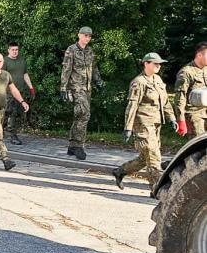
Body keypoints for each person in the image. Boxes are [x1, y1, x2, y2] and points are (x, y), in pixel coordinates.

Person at [113, 54, 177, 191]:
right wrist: (128, 128)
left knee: (144, 158)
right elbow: (132, 106)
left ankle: (120, 171)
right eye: (155, 64)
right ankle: (156, 189)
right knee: (154, 157)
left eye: (160, 64)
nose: (158, 66)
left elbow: (165, 102)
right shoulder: (139, 82)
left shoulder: (158, 80)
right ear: (146, 64)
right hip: (143, 124)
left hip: (156, 124)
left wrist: (172, 118)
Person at [60, 26, 103, 160]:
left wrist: (99, 81)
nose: (87, 38)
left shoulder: (90, 51)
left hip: (87, 88)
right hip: (76, 87)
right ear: (79, 35)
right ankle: (79, 146)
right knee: (84, 114)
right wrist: (63, 87)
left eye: (89, 36)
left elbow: (93, 68)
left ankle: (72, 146)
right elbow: (66, 69)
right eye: (85, 35)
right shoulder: (71, 50)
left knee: (79, 115)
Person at [3, 41, 35, 145]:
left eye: (16, 50)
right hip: (7, 92)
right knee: (8, 112)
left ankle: (11, 134)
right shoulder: (4, 61)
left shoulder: (22, 61)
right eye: (12, 50)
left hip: (19, 92)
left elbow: (25, 75)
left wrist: (31, 88)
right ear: (8, 50)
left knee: (15, 113)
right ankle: (4, 132)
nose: (15, 52)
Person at [174, 42, 207, 137]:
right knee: (198, 147)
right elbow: (180, 98)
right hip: (194, 115)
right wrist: (181, 120)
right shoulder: (186, 72)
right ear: (199, 55)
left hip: (205, 111)